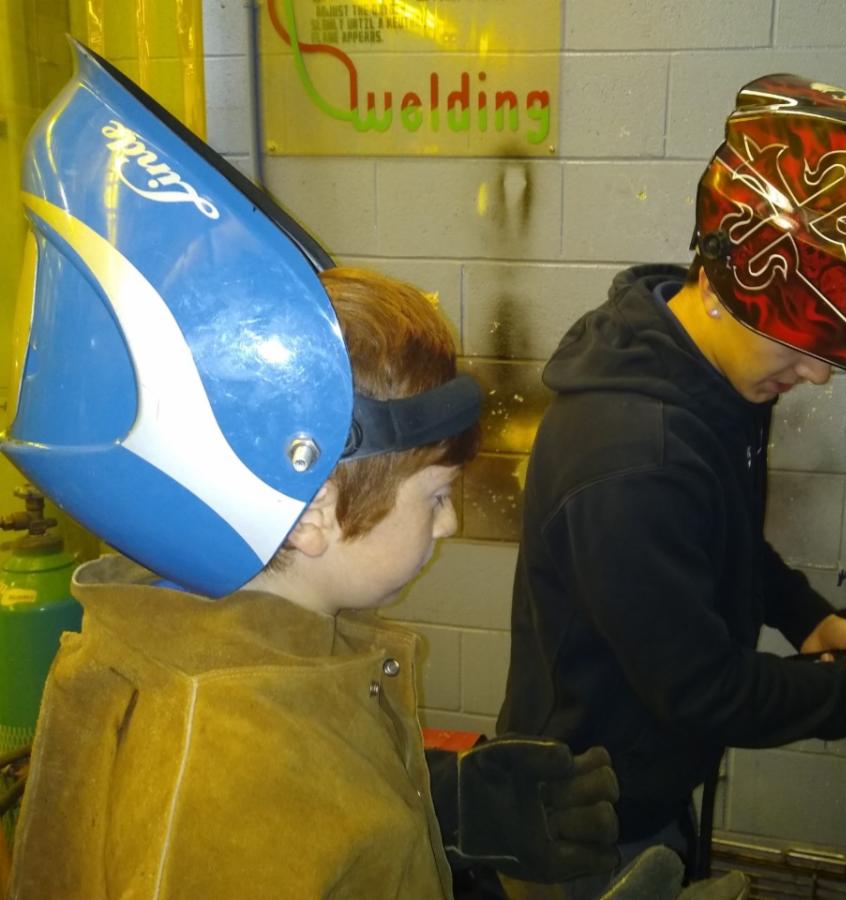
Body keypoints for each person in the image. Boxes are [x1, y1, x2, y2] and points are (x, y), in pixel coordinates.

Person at [3, 39, 639, 900]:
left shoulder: (267, 654)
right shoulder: (218, 763)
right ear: (309, 510)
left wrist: (439, 812)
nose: (450, 523)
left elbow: (314, 821)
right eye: (437, 495)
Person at [498, 73, 846, 893]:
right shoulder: (632, 458)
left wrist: (805, 617)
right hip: (583, 827)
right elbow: (704, 689)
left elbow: (722, 534)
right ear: (730, 278)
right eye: (808, 349)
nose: (816, 377)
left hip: (644, 785)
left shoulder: (712, 376)